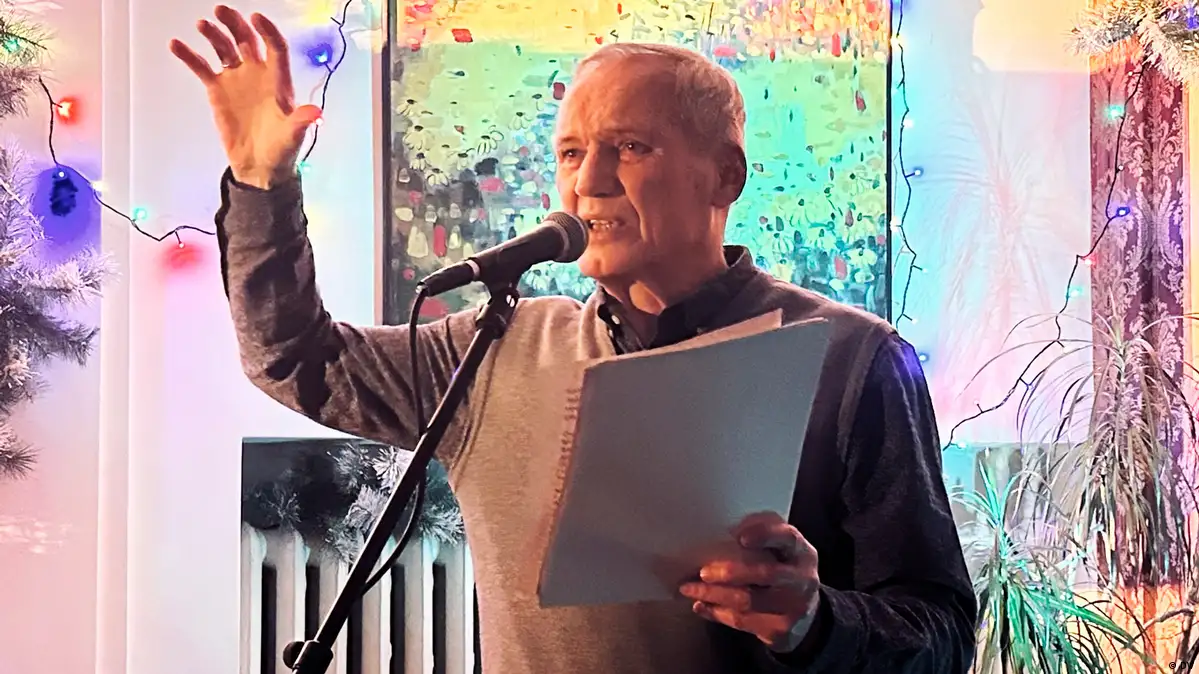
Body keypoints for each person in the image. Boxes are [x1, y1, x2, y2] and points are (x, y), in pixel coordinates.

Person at [172, 6, 977, 672]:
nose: (588, 181)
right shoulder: (493, 344)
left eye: (629, 147)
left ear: (723, 177)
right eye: (569, 152)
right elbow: (294, 359)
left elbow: (938, 634)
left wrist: (813, 621)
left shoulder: (850, 359)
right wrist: (261, 184)